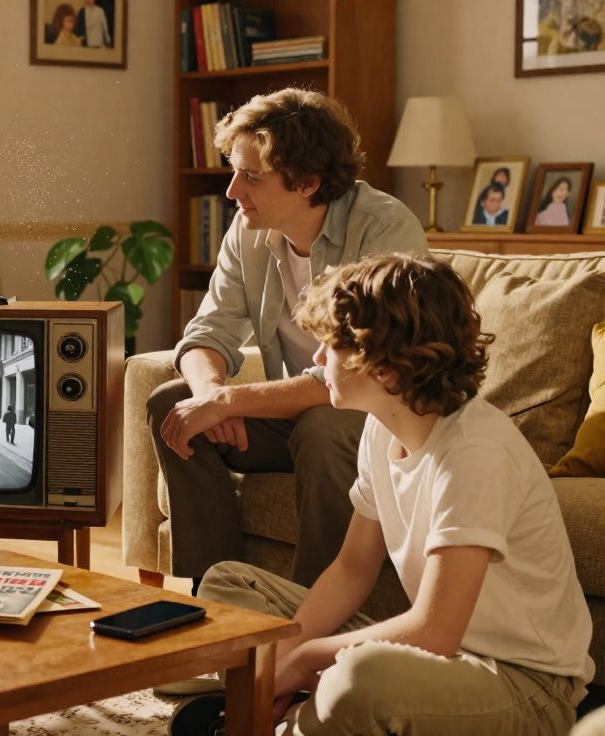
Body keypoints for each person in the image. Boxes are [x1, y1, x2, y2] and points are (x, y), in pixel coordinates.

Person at [171, 254, 593, 735]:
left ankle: (281, 714)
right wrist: (290, 656)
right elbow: (352, 570)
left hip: (523, 685)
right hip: (437, 659)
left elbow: (434, 631)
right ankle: (286, 703)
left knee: (358, 678)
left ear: (386, 369)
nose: (316, 359)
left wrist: (306, 656)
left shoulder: (475, 453)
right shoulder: (380, 428)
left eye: (330, 346)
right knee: (231, 583)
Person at [146, 88, 428, 592]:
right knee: (173, 403)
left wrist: (232, 399)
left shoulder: (383, 228)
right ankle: (218, 597)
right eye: (234, 171)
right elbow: (208, 332)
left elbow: (365, 370)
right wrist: (211, 397)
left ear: (307, 182)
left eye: (251, 177)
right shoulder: (248, 228)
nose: (232, 191)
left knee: (322, 429)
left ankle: (307, 614)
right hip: (297, 408)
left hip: (374, 416)